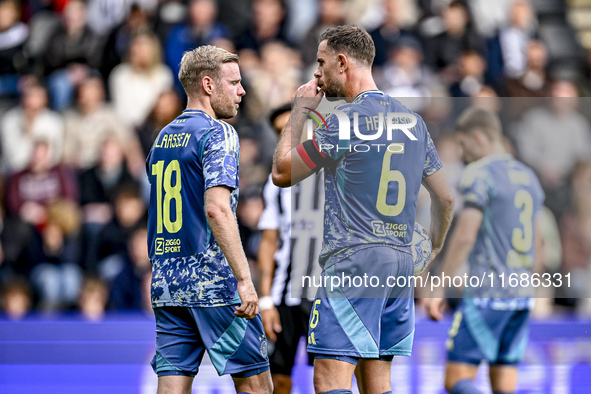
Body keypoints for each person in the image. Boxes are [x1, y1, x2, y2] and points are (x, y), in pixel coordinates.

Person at [272, 25, 455, 394]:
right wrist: (432, 250)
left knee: (329, 379)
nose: (317, 73)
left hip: (354, 262)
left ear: (342, 63)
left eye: (321, 63)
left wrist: (300, 111)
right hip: (401, 264)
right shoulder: (414, 123)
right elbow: (446, 199)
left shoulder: (344, 122)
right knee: (377, 383)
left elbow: (281, 172)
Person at [145, 45, 272, 394]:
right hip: (212, 284)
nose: (242, 90)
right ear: (207, 84)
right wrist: (244, 279)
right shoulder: (218, 133)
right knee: (256, 383)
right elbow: (216, 208)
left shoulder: (162, 139)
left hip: (167, 284)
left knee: (171, 386)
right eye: (234, 82)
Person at [424, 107, 545, 394]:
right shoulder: (528, 176)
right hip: (522, 294)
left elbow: (465, 235)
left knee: (455, 379)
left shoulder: (479, 173)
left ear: (477, 137)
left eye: (464, 146)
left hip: (488, 292)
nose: (463, 155)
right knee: (504, 383)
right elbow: (538, 244)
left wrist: (439, 287)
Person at [258, 104, 324, 394]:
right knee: (277, 378)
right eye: (281, 132)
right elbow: (269, 242)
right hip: (284, 295)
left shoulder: (338, 172)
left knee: (329, 378)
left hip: (326, 295)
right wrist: (266, 300)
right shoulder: (275, 185)